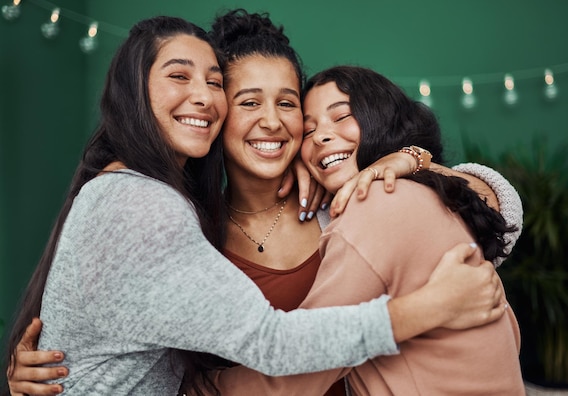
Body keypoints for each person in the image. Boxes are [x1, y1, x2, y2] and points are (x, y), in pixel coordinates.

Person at [1, 15, 508, 396]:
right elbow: (158, 358)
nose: (272, 121)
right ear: (220, 115)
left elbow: (498, 214)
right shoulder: (186, 229)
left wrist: (411, 162)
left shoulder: (346, 197)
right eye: (248, 101)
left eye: (287, 103)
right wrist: (71, 367)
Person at [194, 66, 526, 395]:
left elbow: (300, 374)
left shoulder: (375, 202)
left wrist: (203, 390)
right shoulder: (423, 196)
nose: (321, 135)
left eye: (341, 117)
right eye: (308, 132)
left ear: (379, 117)